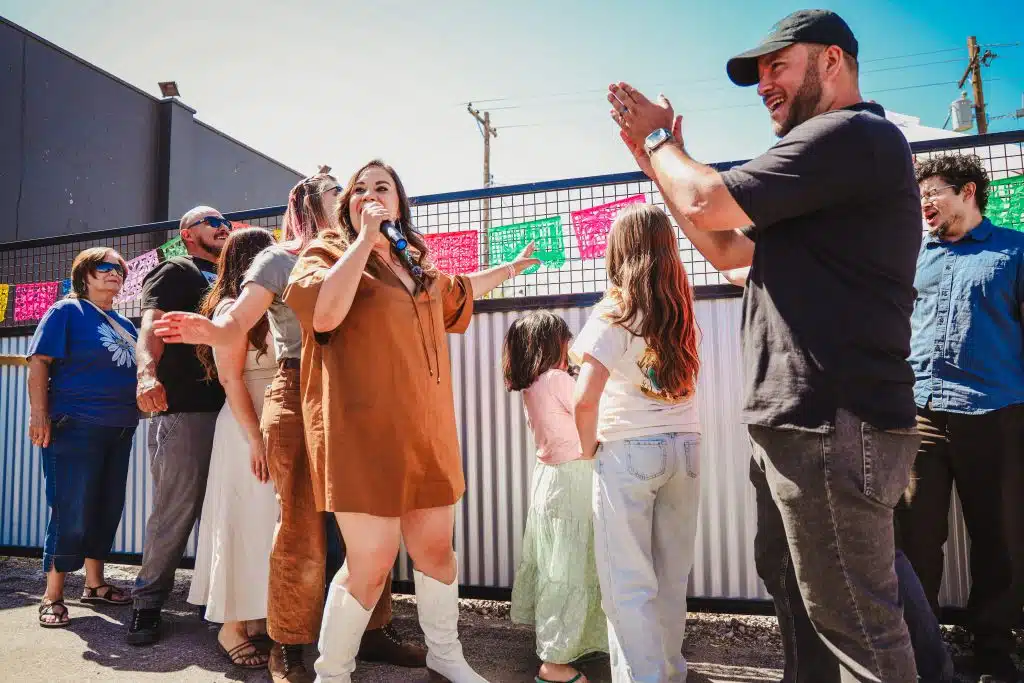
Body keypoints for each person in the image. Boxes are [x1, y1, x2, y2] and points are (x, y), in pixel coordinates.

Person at [608, 9, 923, 681]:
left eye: (778, 65)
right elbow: (724, 248)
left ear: (832, 62)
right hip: (799, 428)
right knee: (810, 611)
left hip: (833, 425)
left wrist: (660, 138)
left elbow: (707, 200)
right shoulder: (824, 183)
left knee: (859, 627)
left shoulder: (850, 136)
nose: (764, 85)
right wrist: (656, 161)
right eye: (759, 75)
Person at [154, 173, 426, 682]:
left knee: (370, 521)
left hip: (358, 397)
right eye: (337, 193)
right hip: (298, 393)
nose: (355, 199)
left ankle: (371, 631)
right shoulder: (279, 258)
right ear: (306, 204)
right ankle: (290, 647)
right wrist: (210, 330)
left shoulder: (370, 253)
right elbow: (236, 322)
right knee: (300, 527)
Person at [282, 159, 537, 682]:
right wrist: (365, 240)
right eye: (360, 189)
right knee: (370, 564)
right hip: (361, 434)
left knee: (437, 550)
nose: (371, 195)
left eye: (383, 187)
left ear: (400, 202)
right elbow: (324, 314)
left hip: (425, 430)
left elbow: (459, 291)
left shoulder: (414, 261)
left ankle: (445, 657)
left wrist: (511, 268)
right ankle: (333, 673)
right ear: (346, 204)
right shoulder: (325, 252)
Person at [723, 267, 955, 683]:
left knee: (850, 574)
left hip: (822, 418)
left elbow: (725, 247)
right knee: (844, 566)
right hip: (803, 415)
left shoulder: (834, 229)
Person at [897, 154, 1024, 683]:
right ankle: (922, 652)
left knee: (998, 536)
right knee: (915, 537)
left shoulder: (1013, 252)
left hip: (994, 415)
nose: (924, 203)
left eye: (933, 193)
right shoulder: (913, 256)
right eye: (919, 195)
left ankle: (994, 649)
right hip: (921, 414)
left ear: (968, 191)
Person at [569, 203, 702, 683]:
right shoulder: (680, 308)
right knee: (671, 578)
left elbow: (585, 398)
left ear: (619, 249)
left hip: (629, 447)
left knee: (627, 584)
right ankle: (669, 672)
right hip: (686, 448)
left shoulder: (615, 311)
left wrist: (587, 450)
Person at [128, 206, 228, 645]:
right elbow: (150, 324)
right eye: (213, 222)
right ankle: (147, 604)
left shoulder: (235, 277)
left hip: (233, 410)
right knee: (176, 509)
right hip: (185, 408)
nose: (224, 227)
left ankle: (220, 604)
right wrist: (146, 373)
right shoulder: (177, 269)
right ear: (188, 234)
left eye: (227, 223)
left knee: (228, 509)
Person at [26, 248, 139, 628]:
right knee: (70, 508)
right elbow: (39, 361)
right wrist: (39, 414)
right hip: (75, 424)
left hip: (120, 427)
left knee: (107, 507)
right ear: (84, 274)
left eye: (120, 270)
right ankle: (52, 594)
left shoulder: (126, 323)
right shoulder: (66, 311)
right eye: (105, 267)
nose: (115, 273)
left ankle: (94, 584)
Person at [186, 227, 279, 669]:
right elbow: (229, 379)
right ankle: (230, 627)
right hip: (246, 429)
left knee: (265, 525)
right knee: (242, 522)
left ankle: (256, 614)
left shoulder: (271, 308)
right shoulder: (229, 310)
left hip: (269, 429)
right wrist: (255, 438)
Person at [503, 311, 608, 683]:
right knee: (573, 567)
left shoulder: (533, 383)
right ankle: (555, 665)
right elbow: (595, 406)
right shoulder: (557, 379)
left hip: (551, 480)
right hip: (573, 479)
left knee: (560, 566)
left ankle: (572, 645)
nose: (571, 348)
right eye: (566, 341)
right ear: (552, 344)